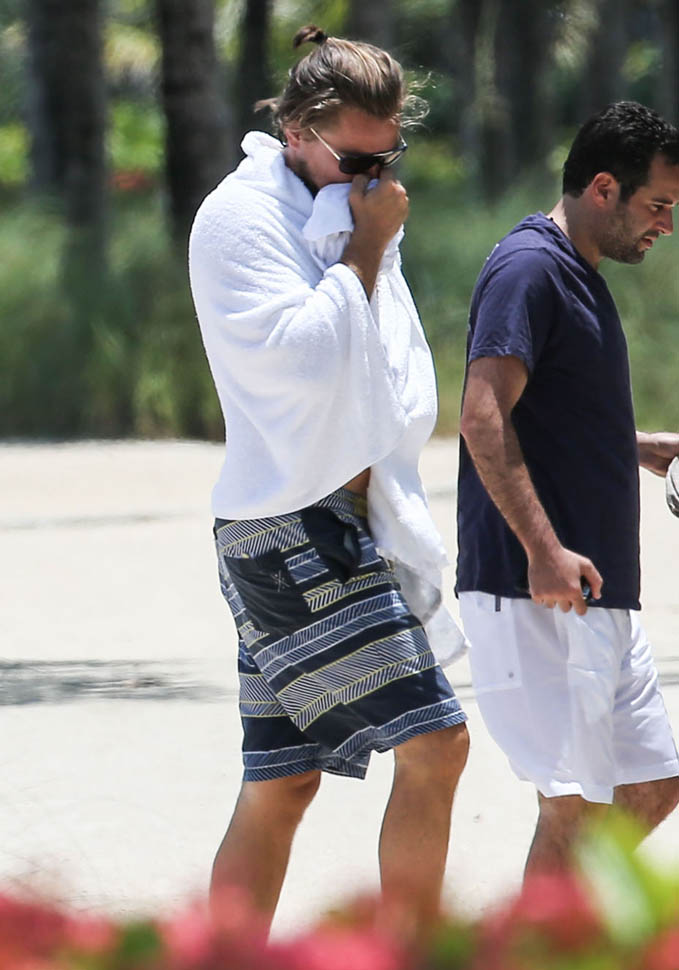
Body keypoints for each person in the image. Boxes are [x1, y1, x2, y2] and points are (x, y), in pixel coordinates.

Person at [188, 25, 469, 936]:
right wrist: (366, 248)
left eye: (386, 160)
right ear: (296, 130)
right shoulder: (240, 220)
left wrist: (361, 233)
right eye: (354, 160)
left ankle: (220, 960)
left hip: (315, 526)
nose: (372, 178)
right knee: (437, 744)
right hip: (290, 528)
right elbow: (305, 364)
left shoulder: (337, 208)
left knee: (282, 784)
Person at [456, 101, 679, 876]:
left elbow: (548, 415)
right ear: (603, 188)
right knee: (573, 806)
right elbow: (481, 416)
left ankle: (559, 930)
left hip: (595, 591)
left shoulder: (576, 273)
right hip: (537, 589)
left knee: (650, 784)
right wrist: (542, 550)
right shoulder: (529, 268)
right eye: (657, 205)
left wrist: (636, 447)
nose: (666, 226)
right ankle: (535, 940)